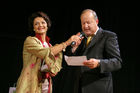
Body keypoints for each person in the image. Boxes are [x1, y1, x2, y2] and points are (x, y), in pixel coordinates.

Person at [54, 9, 122, 93]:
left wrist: (98, 63)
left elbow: (117, 62)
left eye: (88, 22)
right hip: (80, 87)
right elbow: (71, 60)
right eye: (83, 23)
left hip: (99, 88)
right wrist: (74, 47)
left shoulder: (108, 36)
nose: (85, 26)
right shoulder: (81, 38)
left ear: (96, 21)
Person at [15, 11, 80, 93]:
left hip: (46, 84)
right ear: (33, 28)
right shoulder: (30, 41)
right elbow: (45, 52)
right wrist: (67, 42)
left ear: (47, 25)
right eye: (36, 24)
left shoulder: (49, 45)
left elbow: (54, 67)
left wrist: (52, 71)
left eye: (43, 22)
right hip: (30, 85)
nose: (40, 25)